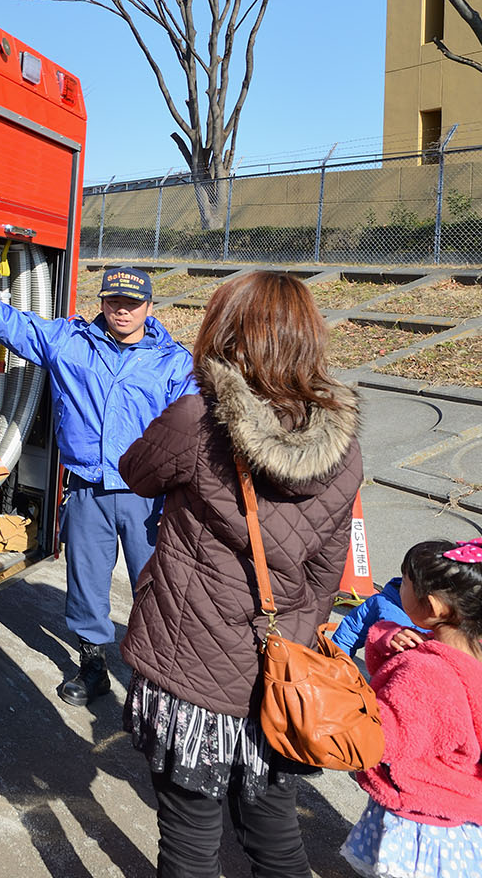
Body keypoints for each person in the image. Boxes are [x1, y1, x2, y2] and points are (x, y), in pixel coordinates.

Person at [118, 270, 363, 878]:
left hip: (190, 666)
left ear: (225, 334)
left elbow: (135, 472)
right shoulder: (344, 444)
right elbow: (327, 568)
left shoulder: (199, 420)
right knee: (275, 836)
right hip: (280, 675)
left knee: (190, 840)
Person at [0, 264, 196, 704]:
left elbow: (198, 427)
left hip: (150, 496)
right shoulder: (70, 343)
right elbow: (14, 325)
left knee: (158, 585)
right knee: (86, 581)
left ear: (149, 307)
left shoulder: (175, 363)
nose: (122, 311)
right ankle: (93, 666)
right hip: (88, 489)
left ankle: (154, 678)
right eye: (113, 302)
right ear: (101, 302)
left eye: (132, 304)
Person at [340, 537, 482, 878]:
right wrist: (391, 638)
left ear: (432, 607)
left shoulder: (424, 672)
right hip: (461, 808)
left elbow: (383, 741)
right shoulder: (466, 653)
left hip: (420, 816)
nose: (398, 586)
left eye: (404, 582)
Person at [332, 575, 422, 664]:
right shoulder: (382, 602)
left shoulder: (434, 625)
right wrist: (337, 664)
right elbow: (351, 633)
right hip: (383, 674)